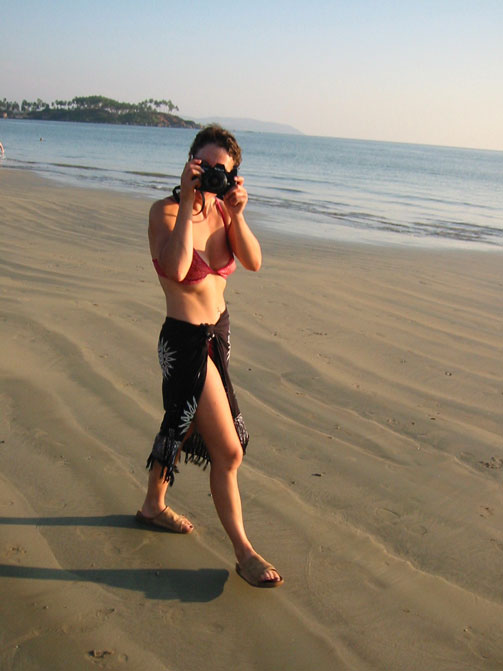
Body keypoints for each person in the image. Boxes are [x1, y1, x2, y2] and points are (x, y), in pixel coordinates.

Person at [136, 124, 283, 588]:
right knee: (229, 450)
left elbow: (254, 261)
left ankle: (152, 505)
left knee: (180, 424)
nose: (214, 175)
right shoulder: (164, 212)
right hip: (184, 342)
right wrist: (186, 201)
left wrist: (237, 215)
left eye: (224, 170)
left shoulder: (223, 212)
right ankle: (244, 551)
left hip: (218, 335)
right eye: (206, 165)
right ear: (190, 162)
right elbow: (178, 268)